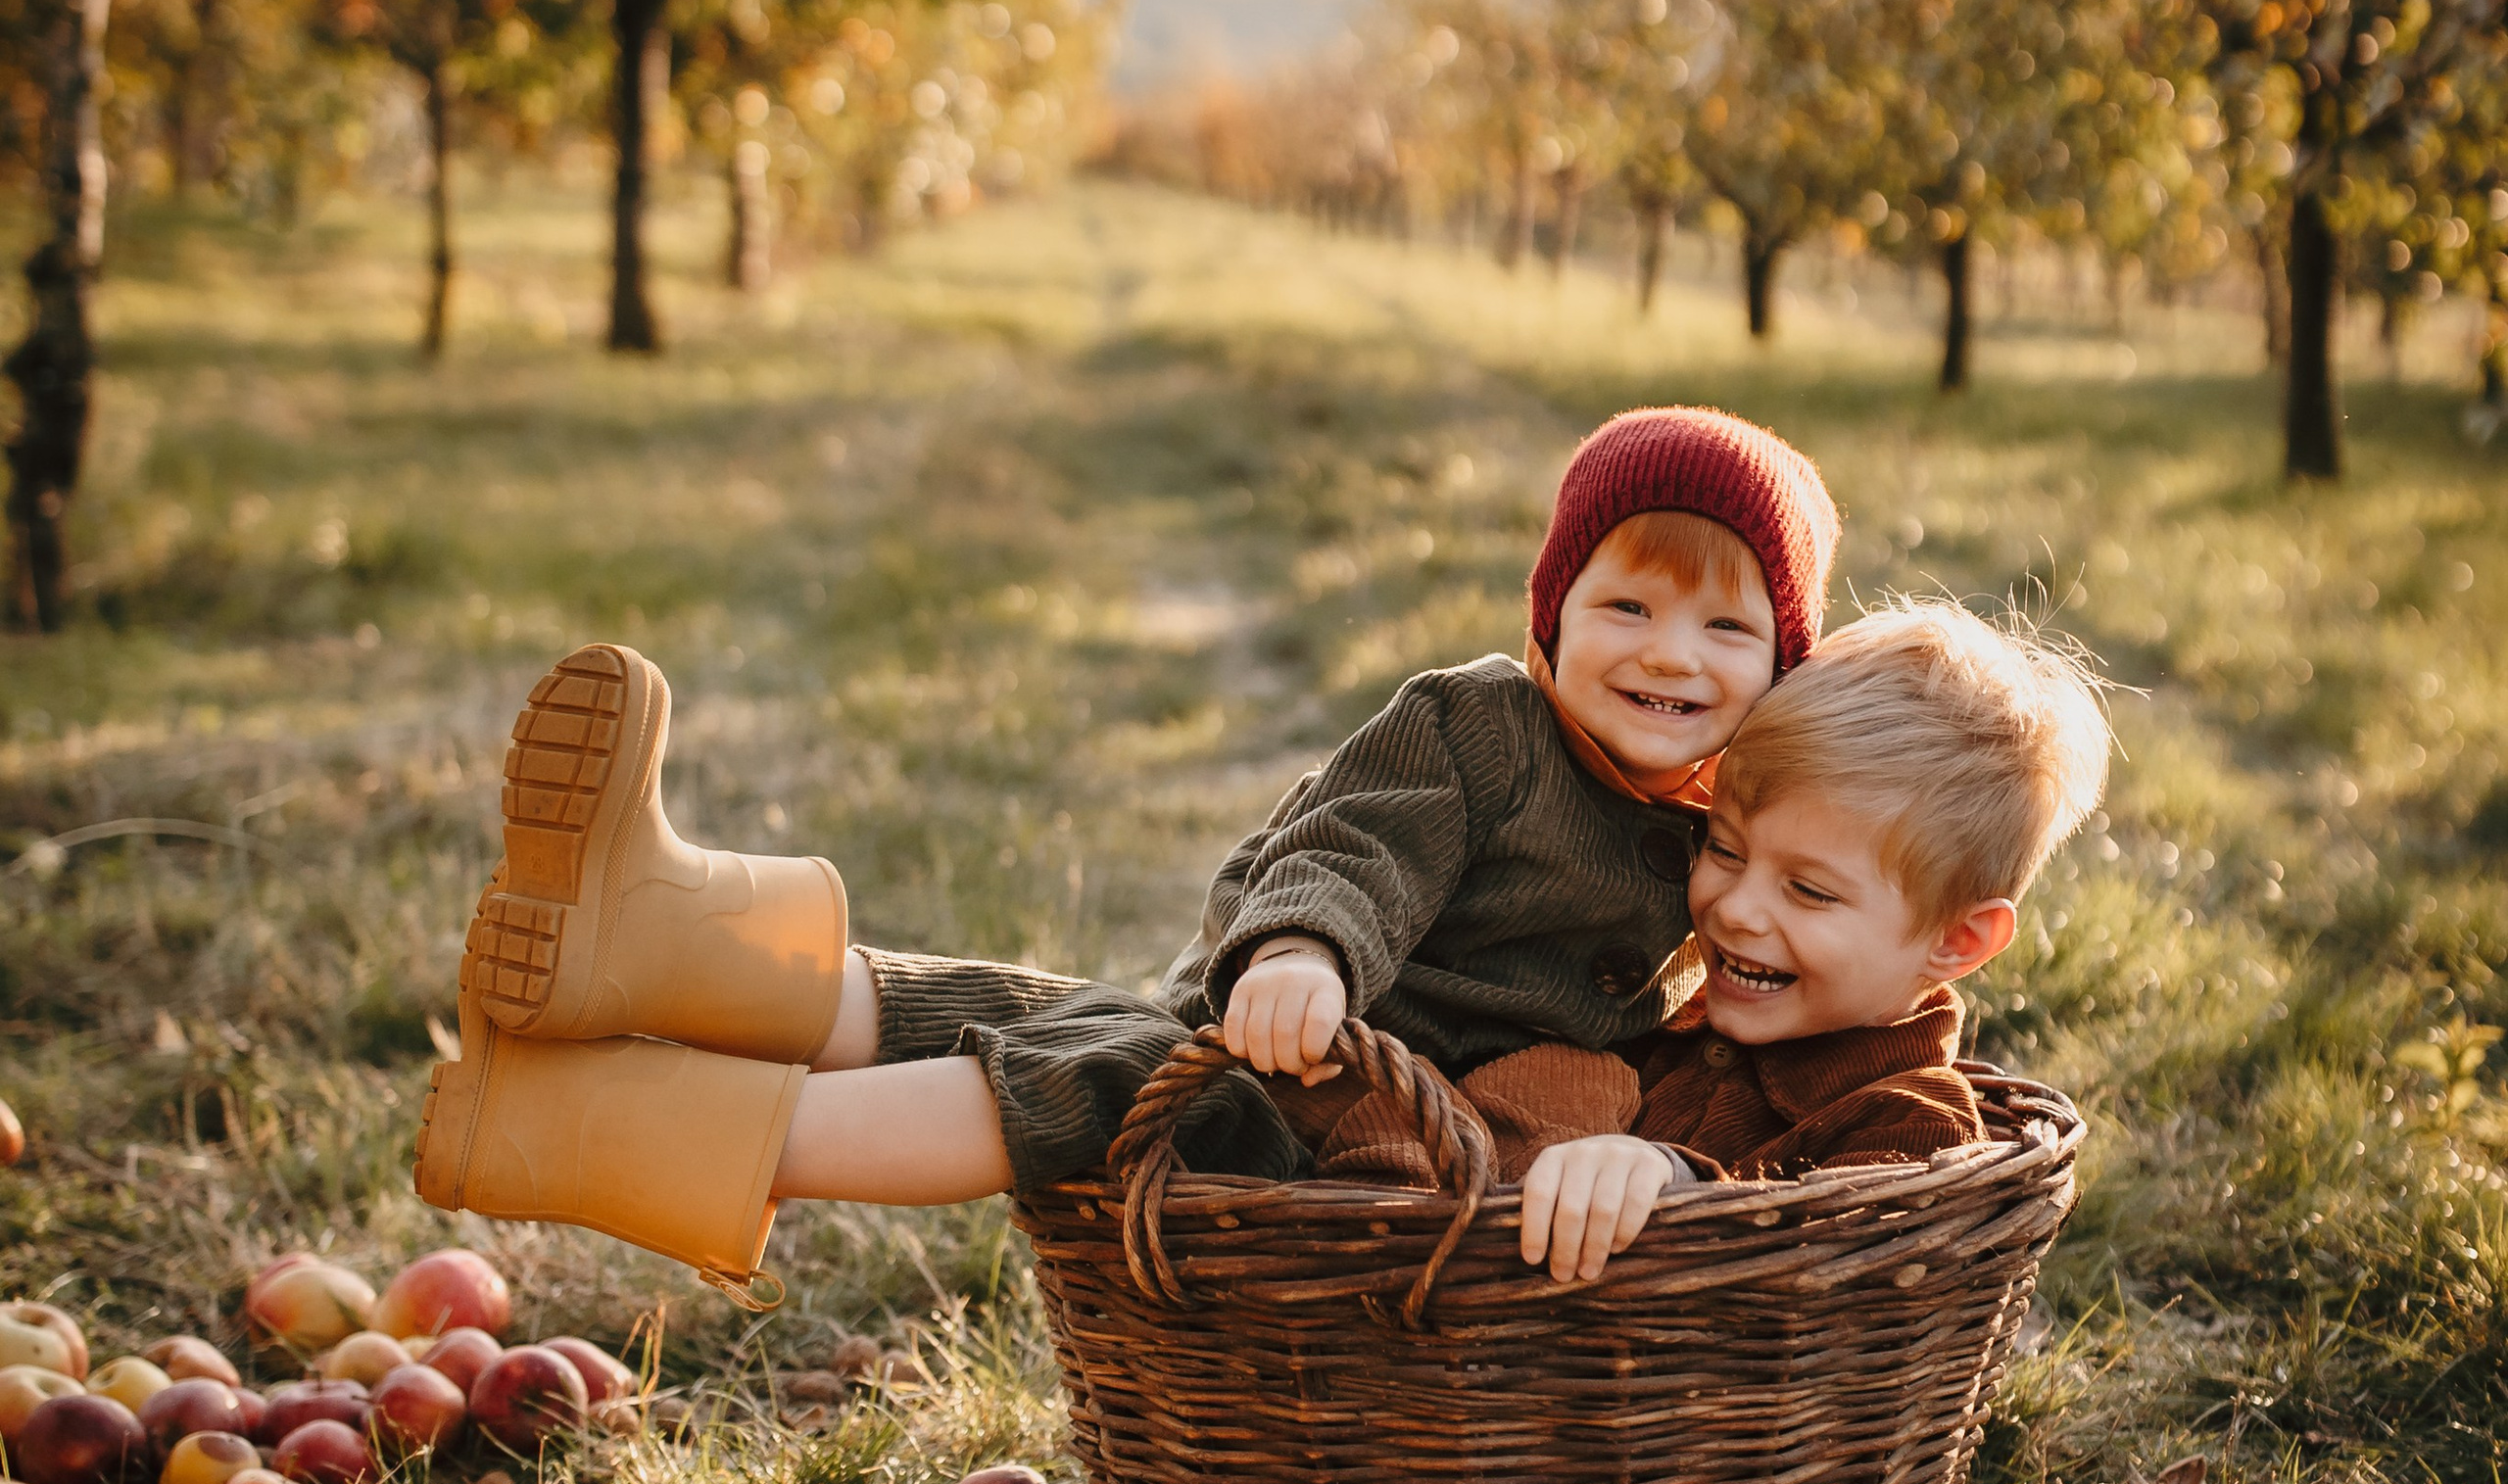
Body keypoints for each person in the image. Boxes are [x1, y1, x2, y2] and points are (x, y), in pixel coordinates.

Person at [413, 406, 1839, 1283]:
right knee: (1042, 1037)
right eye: (1628, 609)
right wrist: (1300, 954)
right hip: (1289, 1049)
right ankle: (651, 940)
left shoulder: (1718, 828)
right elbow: (1355, 850)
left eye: (1729, 628)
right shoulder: (1481, 727)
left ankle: (611, 1122)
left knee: (1066, 1041)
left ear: (1784, 664)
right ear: (1549, 618)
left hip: (1364, 1161)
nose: (1674, 656)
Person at [1347, 598, 2111, 1281]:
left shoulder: (1912, 1124)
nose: (1738, 909)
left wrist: (1673, 1181)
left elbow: (1828, 1253)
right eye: (1723, 848)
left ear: (1957, 939)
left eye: (1809, 891)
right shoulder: (1651, 1012)